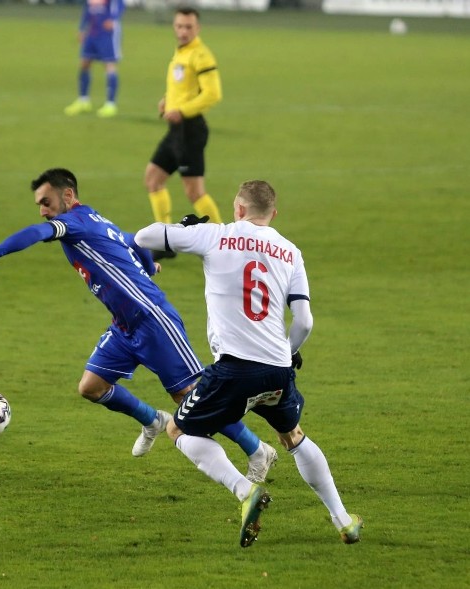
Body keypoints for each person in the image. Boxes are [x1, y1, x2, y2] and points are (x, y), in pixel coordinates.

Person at [0, 168, 276, 477]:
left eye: (46, 202)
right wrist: (148, 265)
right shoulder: (96, 219)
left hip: (153, 319)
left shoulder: (71, 223)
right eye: (40, 206)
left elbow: (35, 233)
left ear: (68, 195)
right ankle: (152, 420)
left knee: (191, 397)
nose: (43, 211)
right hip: (125, 326)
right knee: (92, 387)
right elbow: (134, 240)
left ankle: (257, 450)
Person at [135, 180, 363, 547]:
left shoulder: (216, 235)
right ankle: (343, 520)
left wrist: (185, 227)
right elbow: (304, 321)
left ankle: (245, 491)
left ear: (238, 209)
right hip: (277, 370)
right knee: (292, 435)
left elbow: (144, 237)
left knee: (179, 430)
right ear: (273, 214)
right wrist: (288, 353)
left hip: (234, 370)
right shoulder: (291, 251)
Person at [145, 7, 223, 261]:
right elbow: (184, 88)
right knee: (153, 178)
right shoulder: (182, 52)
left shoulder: (201, 55)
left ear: (197, 29)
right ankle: (165, 242)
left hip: (191, 131)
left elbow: (212, 94)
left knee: (194, 192)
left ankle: (225, 243)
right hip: (176, 130)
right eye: (179, 26)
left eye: (188, 27)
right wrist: (167, 101)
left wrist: (182, 110)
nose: (183, 31)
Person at [63, 0, 124, 119]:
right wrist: (82, 28)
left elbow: (120, 3)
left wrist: (113, 18)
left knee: (109, 65)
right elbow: (87, 9)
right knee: (84, 63)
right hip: (92, 32)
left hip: (107, 33)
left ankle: (110, 104)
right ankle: (83, 101)